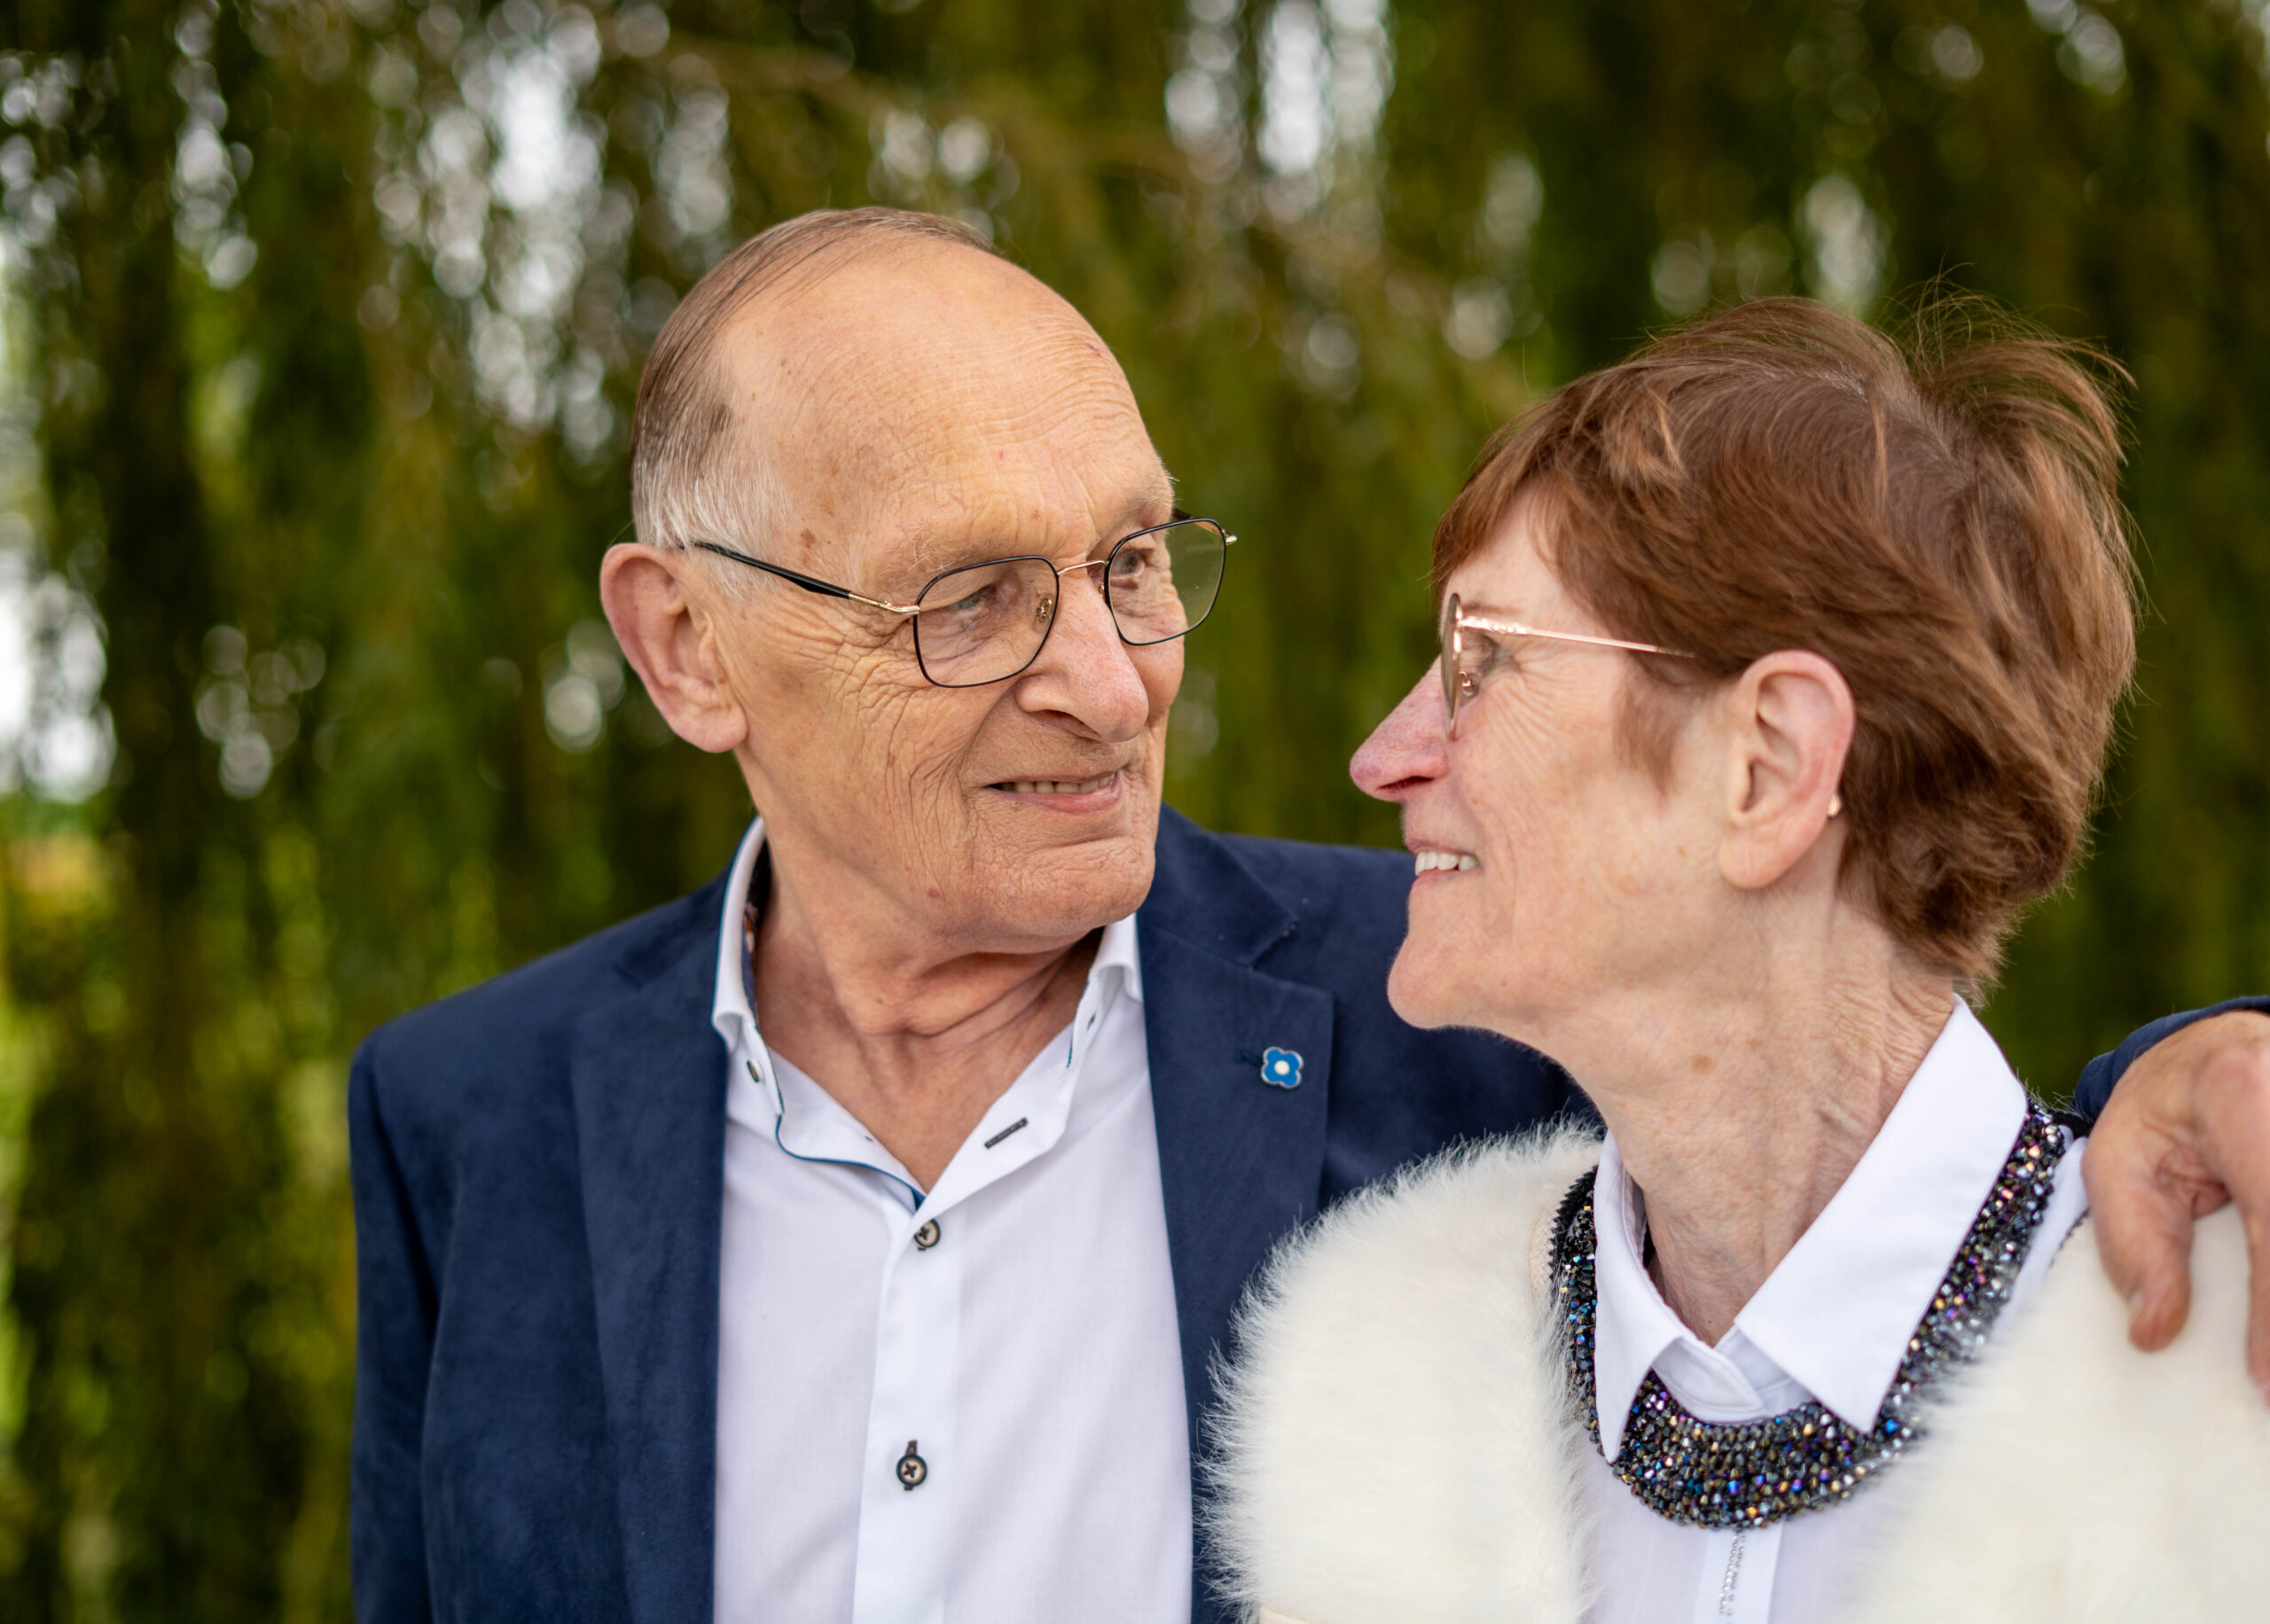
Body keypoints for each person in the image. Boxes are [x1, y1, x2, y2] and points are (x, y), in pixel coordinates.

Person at [347, 212, 2270, 1624]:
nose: (1112, 684)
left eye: (1130, 561)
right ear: (686, 645)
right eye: (970, 601)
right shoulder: (465, 1125)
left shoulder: (1453, 1034)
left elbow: (1852, 1100)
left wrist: (2189, 1080)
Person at [1209, 298, 2270, 1624]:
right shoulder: (1378, 1394)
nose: (1387, 756)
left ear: (1768, 764)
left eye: (1486, 660)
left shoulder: (2227, 1408)